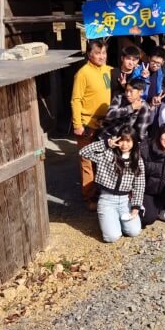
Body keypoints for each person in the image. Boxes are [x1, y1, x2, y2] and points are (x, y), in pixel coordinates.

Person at [79, 127, 144, 242]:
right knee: (112, 237)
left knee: (134, 231)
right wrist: (106, 143)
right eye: (121, 140)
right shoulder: (108, 153)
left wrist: (135, 207)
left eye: (128, 141)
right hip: (107, 200)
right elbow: (83, 151)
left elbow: (139, 185)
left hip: (125, 201)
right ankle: (108, 219)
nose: (124, 144)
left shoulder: (137, 160)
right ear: (117, 140)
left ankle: (115, 220)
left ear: (134, 142)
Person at [71, 39, 113, 211]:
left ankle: (103, 193)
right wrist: (77, 123)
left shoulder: (109, 70)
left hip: (106, 123)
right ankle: (89, 197)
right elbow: (76, 100)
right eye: (97, 53)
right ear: (89, 54)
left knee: (103, 160)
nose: (101, 56)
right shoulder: (83, 73)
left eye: (103, 53)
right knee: (87, 161)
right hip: (87, 123)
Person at [99, 78, 152, 143]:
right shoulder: (119, 98)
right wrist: (130, 108)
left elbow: (140, 133)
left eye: (131, 91)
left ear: (141, 92)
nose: (128, 94)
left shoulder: (144, 107)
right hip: (108, 136)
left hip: (126, 141)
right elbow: (109, 114)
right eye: (126, 91)